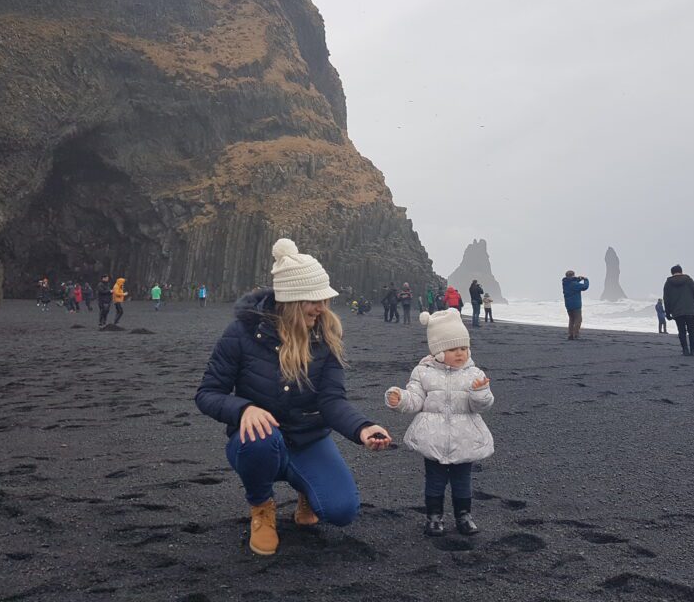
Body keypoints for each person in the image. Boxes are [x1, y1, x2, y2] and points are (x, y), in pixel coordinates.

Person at [195, 238, 392, 556]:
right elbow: (207, 393)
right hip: (256, 442)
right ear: (290, 300)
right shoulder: (241, 334)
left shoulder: (326, 337)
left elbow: (331, 400)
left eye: (324, 299)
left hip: (308, 439)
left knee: (341, 511)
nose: (322, 308)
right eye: (314, 300)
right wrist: (243, 409)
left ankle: (305, 490)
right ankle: (261, 508)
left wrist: (362, 428)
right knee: (260, 437)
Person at [385, 309, 494, 537]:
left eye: (463, 348)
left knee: (462, 480)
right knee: (434, 480)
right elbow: (415, 400)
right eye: (453, 349)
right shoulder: (423, 373)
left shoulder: (474, 373)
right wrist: (400, 398)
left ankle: (464, 515)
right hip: (432, 438)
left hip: (464, 438)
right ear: (438, 351)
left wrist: (480, 392)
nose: (460, 354)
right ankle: (434, 517)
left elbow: (482, 406)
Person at [662, 265, 694, 356]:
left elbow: (666, 299)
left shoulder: (668, 283)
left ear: (672, 273)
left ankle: (685, 350)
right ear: (681, 271)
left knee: (681, 331)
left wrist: (667, 313)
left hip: (677, 311)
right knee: (692, 330)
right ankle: (693, 351)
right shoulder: (689, 280)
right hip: (690, 309)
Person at [562, 271, 589, 340]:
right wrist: (586, 280)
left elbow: (573, 281)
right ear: (572, 276)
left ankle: (570, 334)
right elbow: (585, 287)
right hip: (575, 305)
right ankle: (576, 334)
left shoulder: (565, 283)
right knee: (578, 320)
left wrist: (579, 278)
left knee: (571, 320)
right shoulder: (574, 284)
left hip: (568, 305)